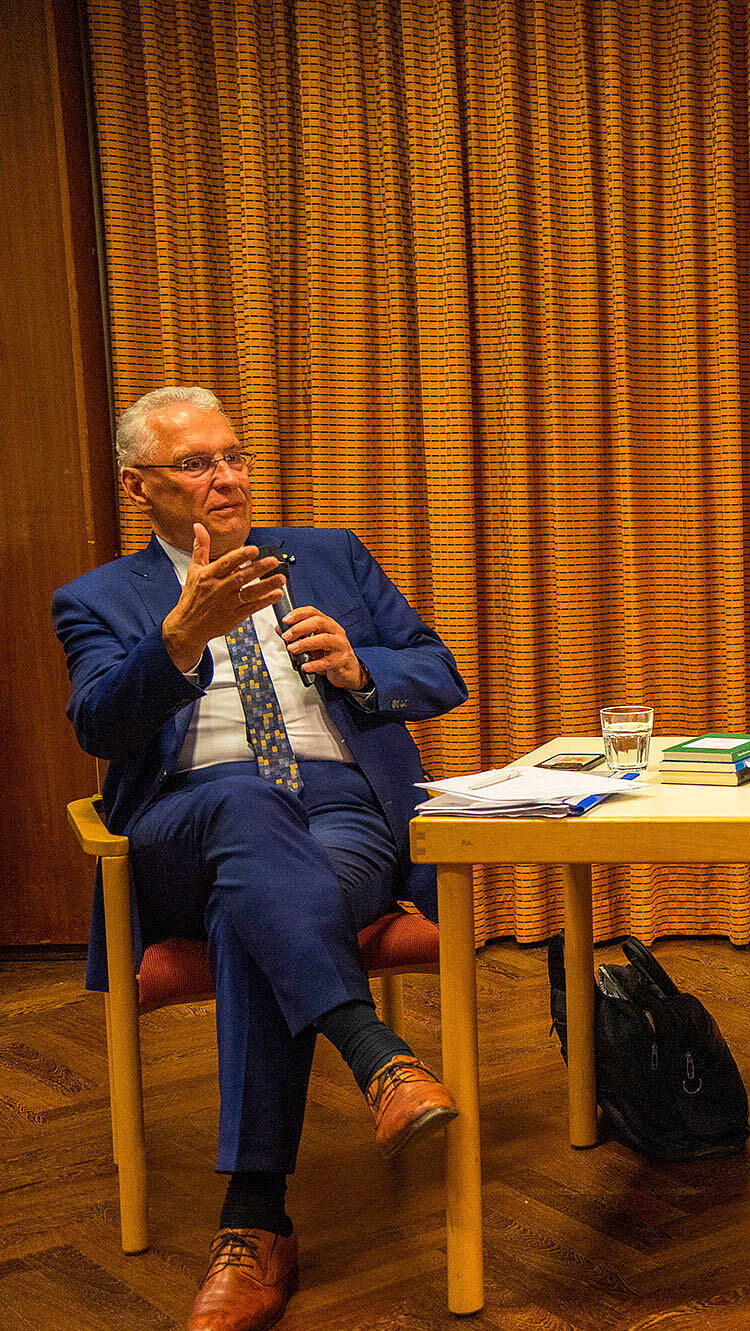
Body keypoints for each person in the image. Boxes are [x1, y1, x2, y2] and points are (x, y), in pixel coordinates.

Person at [52, 387, 470, 1331]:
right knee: (242, 804)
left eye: (233, 456)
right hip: (181, 823)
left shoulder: (328, 552)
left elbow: (438, 668)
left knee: (262, 901)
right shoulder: (97, 599)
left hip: (337, 810)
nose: (226, 477)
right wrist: (177, 640)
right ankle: (379, 1057)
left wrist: (363, 668)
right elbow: (97, 725)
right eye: (196, 463)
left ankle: (254, 1226)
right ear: (137, 484)